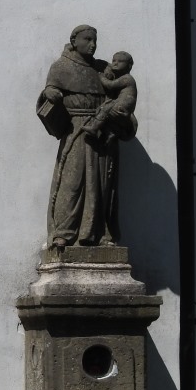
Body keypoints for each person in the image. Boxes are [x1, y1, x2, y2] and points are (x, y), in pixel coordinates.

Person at [38, 25, 137, 249]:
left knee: (102, 186)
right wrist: (49, 93)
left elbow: (122, 100)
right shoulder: (60, 67)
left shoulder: (103, 69)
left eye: (95, 40)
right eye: (87, 39)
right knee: (72, 183)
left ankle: (100, 234)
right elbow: (49, 94)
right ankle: (63, 233)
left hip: (102, 134)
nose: (93, 44)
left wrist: (119, 117)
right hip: (76, 131)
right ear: (74, 41)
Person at [81, 51, 137, 144]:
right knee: (106, 114)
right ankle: (109, 132)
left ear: (129, 65)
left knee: (105, 109)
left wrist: (101, 77)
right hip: (123, 105)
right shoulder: (124, 78)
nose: (115, 63)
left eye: (120, 61)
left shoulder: (126, 78)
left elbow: (110, 85)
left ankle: (94, 128)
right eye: (114, 60)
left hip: (122, 104)